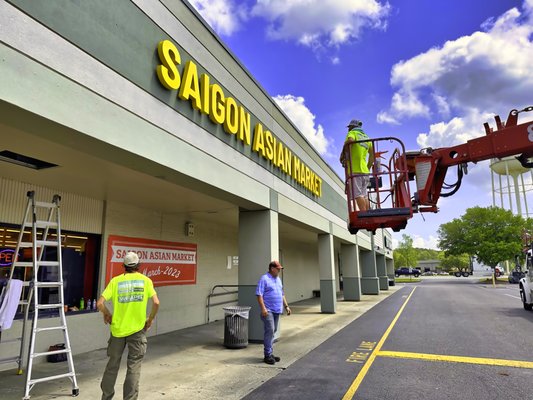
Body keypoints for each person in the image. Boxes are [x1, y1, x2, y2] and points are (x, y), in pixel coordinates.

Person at [96, 251, 160, 400]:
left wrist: (107, 314)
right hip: (137, 330)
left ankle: (106, 397)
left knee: (112, 366)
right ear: (138, 265)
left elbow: (100, 303)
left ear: (123, 266)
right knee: (134, 367)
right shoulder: (145, 281)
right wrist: (150, 319)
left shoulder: (115, 281)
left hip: (117, 330)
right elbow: (156, 302)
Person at [256, 260, 291, 365]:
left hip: (277, 310)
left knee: (273, 331)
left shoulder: (278, 279)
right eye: (278, 269)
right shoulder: (264, 279)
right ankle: (267, 355)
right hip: (268, 311)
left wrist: (286, 306)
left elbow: (282, 294)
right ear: (272, 269)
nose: (279, 271)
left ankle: (270, 353)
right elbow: (259, 294)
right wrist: (263, 308)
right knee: (270, 330)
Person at [341, 119, 374, 211]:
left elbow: (350, 140)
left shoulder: (353, 133)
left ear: (352, 127)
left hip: (354, 169)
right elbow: (372, 155)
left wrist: (343, 152)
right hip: (365, 171)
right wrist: (368, 167)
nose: (348, 129)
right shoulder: (367, 138)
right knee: (364, 195)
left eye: (349, 127)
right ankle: (367, 214)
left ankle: (364, 215)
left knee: (358, 194)